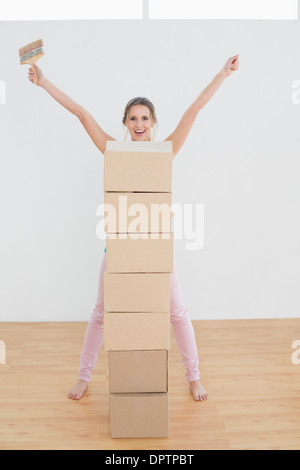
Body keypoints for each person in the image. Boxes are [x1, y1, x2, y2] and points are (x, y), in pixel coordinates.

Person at [28, 54, 239, 402]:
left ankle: (194, 378)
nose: (138, 124)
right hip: (120, 249)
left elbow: (192, 112)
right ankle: (83, 377)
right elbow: (82, 113)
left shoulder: (165, 151)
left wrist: (222, 74)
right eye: (132, 118)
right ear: (125, 123)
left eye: (144, 118)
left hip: (156, 250)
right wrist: (44, 82)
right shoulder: (114, 151)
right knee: (100, 313)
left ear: (153, 122)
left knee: (177, 312)